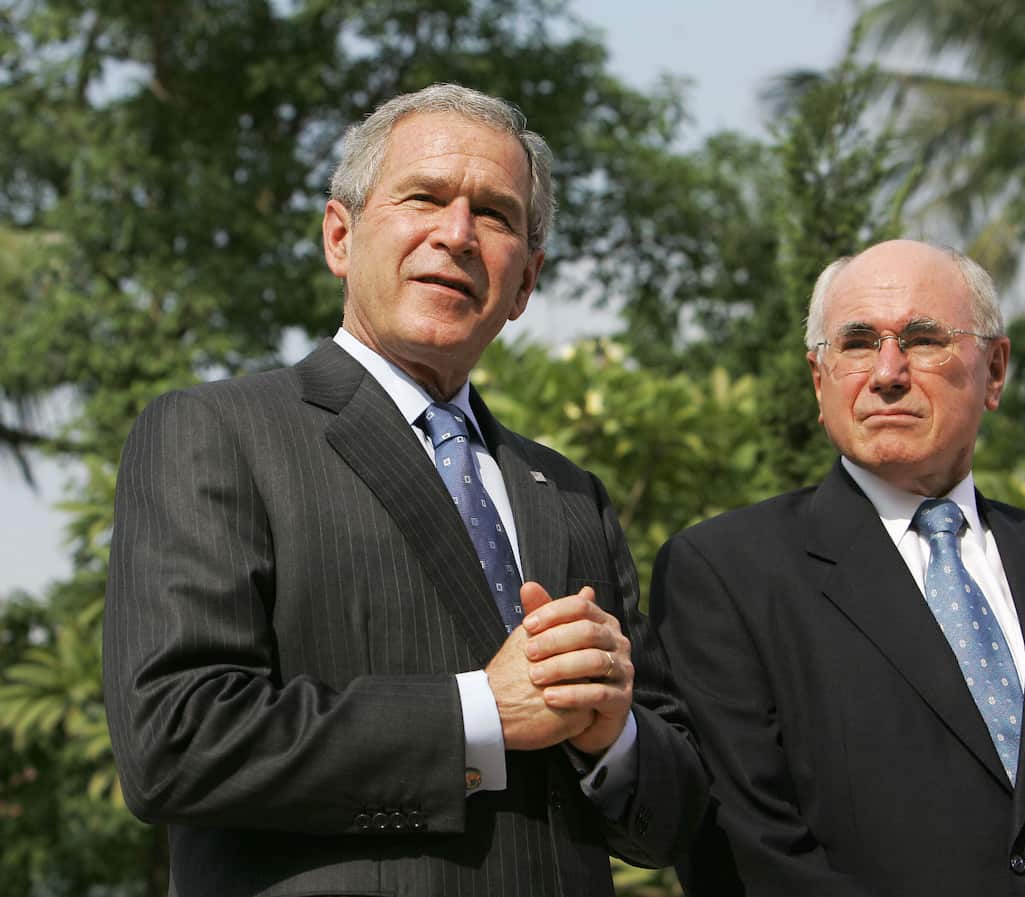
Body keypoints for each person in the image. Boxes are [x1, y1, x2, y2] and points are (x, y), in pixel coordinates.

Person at [103, 84, 706, 897]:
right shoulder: (219, 433)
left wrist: (613, 737)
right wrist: (480, 714)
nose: (456, 234)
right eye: (424, 197)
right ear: (340, 235)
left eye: (495, 215)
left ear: (525, 282)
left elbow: (672, 818)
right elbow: (175, 739)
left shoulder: (569, 493)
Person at [651, 239, 1025, 897]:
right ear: (818, 379)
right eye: (857, 343)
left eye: (922, 340)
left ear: (994, 370)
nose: (887, 372)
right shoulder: (725, 574)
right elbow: (751, 848)